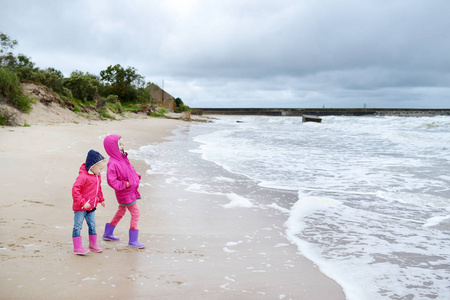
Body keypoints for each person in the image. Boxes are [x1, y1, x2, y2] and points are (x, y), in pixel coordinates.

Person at [102, 134, 145, 248]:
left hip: (130, 190)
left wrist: (136, 176)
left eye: (122, 144)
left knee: (121, 211)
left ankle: (108, 233)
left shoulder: (122, 157)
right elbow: (111, 181)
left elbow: (129, 169)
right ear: (112, 147)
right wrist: (125, 184)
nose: (122, 146)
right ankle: (133, 240)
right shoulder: (113, 163)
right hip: (125, 192)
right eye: (119, 144)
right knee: (135, 213)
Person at [71, 150, 106, 255]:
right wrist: (82, 202)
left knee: (92, 225)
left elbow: (98, 189)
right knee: (78, 226)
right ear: (92, 166)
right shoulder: (83, 177)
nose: (101, 171)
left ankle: (92, 244)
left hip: (91, 207)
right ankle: (77, 247)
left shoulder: (97, 176)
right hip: (80, 208)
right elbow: (75, 190)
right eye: (100, 168)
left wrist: (101, 199)